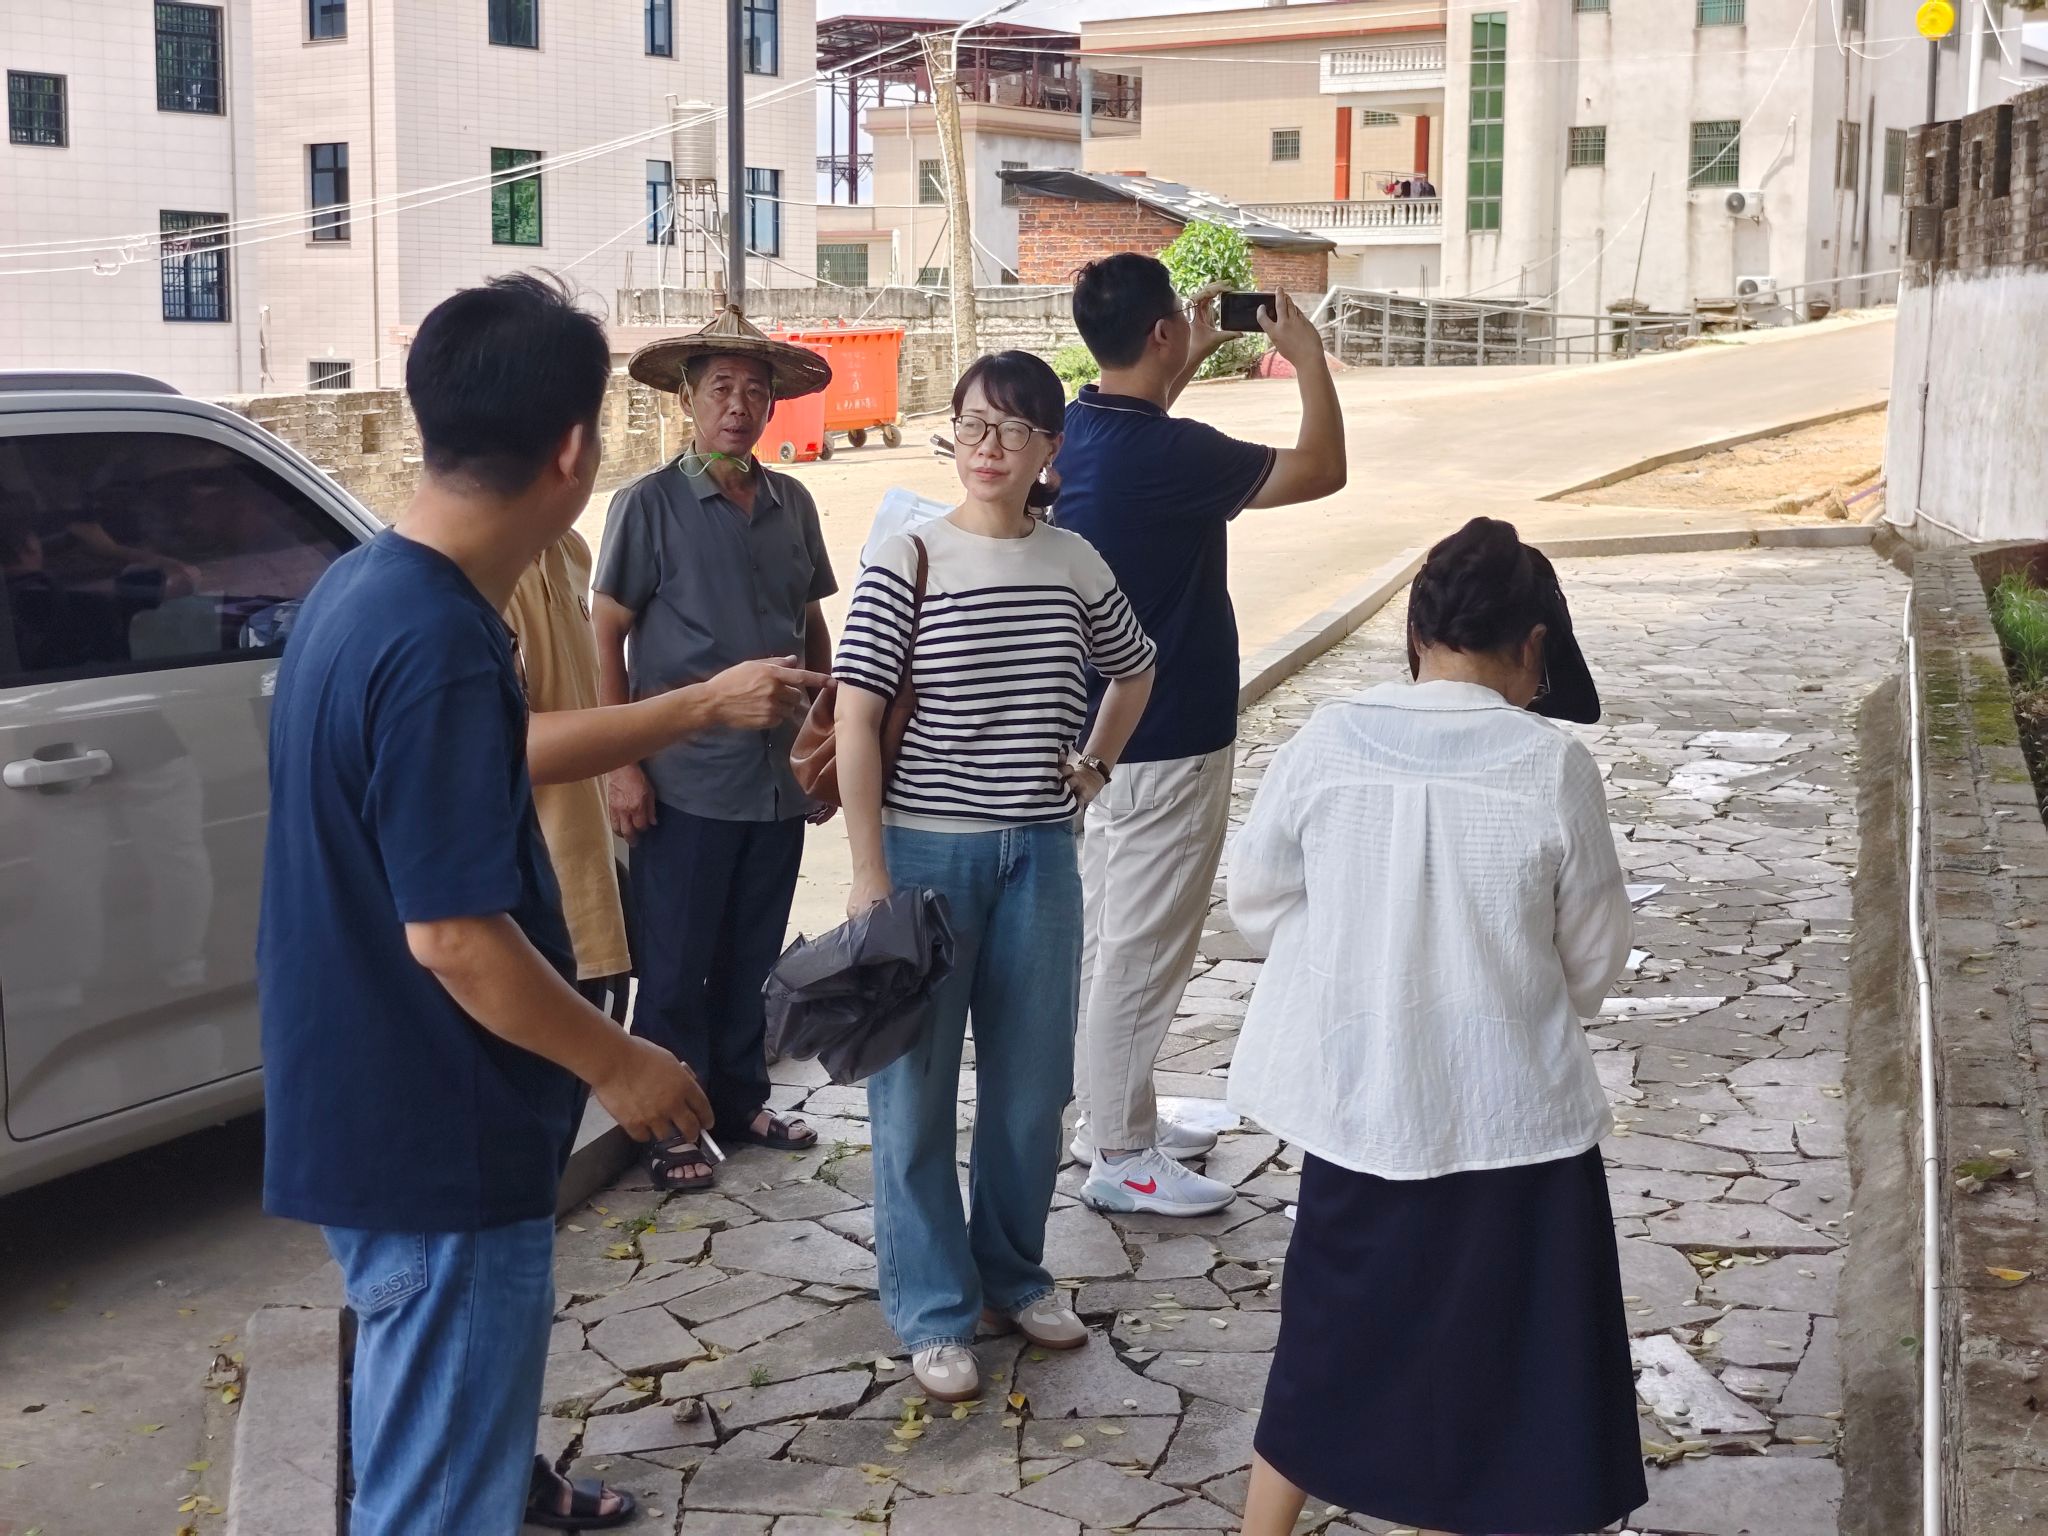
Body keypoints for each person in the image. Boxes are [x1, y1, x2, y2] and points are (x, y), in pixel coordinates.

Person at [258, 273, 714, 1536]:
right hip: (434, 1138)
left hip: (373, 1110)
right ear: (573, 450)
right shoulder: (438, 640)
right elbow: (455, 936)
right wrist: (620, 1062)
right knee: (437, 1503)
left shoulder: (361, 589)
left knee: (426, 1461)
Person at [1226, 517, 1643, 1536]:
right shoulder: (1549, 767)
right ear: (1534, 647)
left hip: (1356, 1100)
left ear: (1415, 634)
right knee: (1485, 1363)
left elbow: (1257, 903)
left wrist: (1365, 954)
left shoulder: (1325, 742)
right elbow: (1591, 959)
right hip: (1509, 1120)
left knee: (1325, 1339)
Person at [835, 351, 1156, 1403]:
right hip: (925, 856)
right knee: (914, 1095)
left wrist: (1094, 764)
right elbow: (855, 717)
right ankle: (933, 1308)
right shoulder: (909, 556)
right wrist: (868, 869)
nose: (989, 447)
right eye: (973, 424)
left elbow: (1136, 665)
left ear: (1048, 449)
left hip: (1039, 857)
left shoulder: (1073, 561)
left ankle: (1013, 1277)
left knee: (1030, 1090)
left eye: (1015, 430)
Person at [1055, 252, 1346, 1218]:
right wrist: (1309, 360)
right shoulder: (1174, 456)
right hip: (1168, 739)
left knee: (1106, 939)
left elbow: (1145, 411)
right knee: (1141, 953)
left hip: (1102, 739)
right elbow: (1323, 470)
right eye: (1177, 320)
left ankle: (1103, 1117)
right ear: (1160, 332)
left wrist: (1192, 350)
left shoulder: (1080, 431)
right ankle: (1121, 1153)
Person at [593, 307, 837, 1193]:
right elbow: (606, 632)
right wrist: (622, 763)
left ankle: (740, 1101)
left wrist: (825, 747)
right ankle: (668, 1126)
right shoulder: (649, 506)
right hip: (685, 780)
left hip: (775, 783)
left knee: (750, 954)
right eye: (721, 388)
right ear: (688, 401)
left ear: (772, 405)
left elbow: (811, 625)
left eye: (754, 390)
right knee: (675, 964)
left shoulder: (791, 503)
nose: (738, 405)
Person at [507, 531, 824, 1016]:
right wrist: (705, 706)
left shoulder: (566, 548)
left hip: (589, 901)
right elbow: (507, 748)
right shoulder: (469, 578)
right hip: (520, 920)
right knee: (667, 999)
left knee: (742, 991)